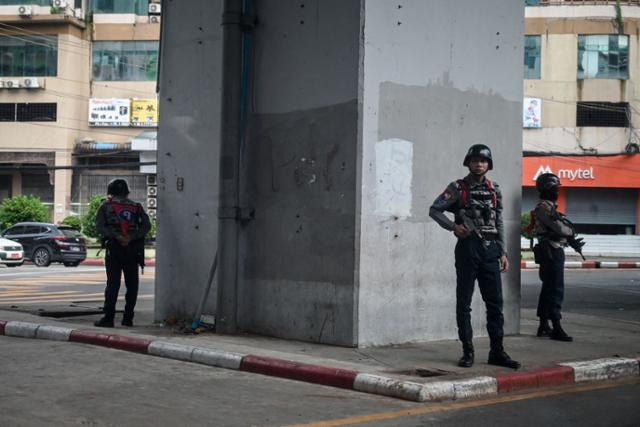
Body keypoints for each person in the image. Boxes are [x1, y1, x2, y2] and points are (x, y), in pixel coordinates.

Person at [429, 144, 520, 369]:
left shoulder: (494, 189)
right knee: (465, 303)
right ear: (468, 162)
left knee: (495, 303)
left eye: (483, 160)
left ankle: (497, 352)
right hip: (468, 249)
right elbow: (434, 209)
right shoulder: (457, 188)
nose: (479, 164)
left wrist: (503, 251)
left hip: (490, 250)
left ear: (489, 164)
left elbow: (498, 222)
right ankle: (467, 351)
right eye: (475, 160)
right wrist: (453, 227)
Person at [532, 173, 583, 342]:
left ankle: (544, 325)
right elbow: (560, 228)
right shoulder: (544, 208)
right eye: (555, 188)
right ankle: (556, 326)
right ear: (547, 189)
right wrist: (572, 232)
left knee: (548, 289)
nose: (557, 191)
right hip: (551, 251)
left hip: (552, 250)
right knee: (555, 289)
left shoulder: (550, 207)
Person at [94, 179, 151, 327]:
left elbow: (100, 226)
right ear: (127, 192)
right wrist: (131, 237)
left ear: (110, 192)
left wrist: (117, 236)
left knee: (113, 284)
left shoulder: (105, 206)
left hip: (114, 248)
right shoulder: (137, 207)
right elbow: (146, 226)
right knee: (132, 284)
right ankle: (128, 318)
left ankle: (108, 318)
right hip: (133, 250)